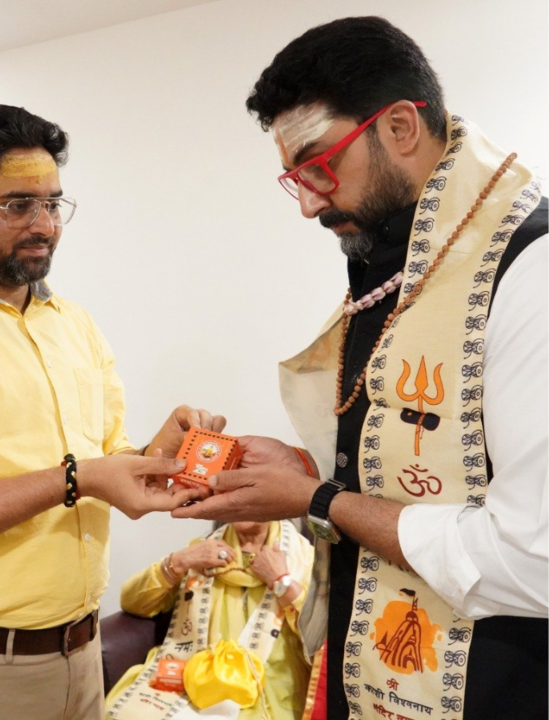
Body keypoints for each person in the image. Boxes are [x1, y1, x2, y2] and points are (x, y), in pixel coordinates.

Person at [171, 17, 547, 720]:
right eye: (295, 178)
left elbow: (536, 562)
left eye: (320, 164)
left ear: (401, 126)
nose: (310, 201)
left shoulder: (530, 270)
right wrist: (306, 469)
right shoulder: (394, 260)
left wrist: (316, 500)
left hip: (498, 686)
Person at [0, 104, 221, 720]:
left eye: (54, 204)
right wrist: (79, 478)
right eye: (18, 204)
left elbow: (104, 468)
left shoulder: (73, 324)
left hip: (83, 658)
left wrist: (154, 456)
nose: (45, 225)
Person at [104, 521, 314, 719]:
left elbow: (319, 635)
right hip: (193, 678)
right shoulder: (203, 550)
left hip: (267, 688)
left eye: (251, 487)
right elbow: (133, 602)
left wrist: (281, 580)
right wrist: (178, 562)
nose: (242, 502)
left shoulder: (303, 559)